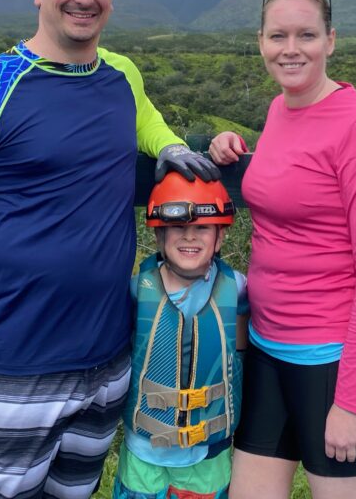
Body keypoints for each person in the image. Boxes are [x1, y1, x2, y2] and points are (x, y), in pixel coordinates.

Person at [0, 0, 219, 499]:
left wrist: (171, 146)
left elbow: (144, 115)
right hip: (15, 365)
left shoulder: (121, 74)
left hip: (106, 365)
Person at [208, 0, 356, 499]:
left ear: (331, 41)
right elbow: (291, 184)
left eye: (306, 35)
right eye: (278, 36)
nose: (290, 49)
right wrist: (232, 150)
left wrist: (352, 403)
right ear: (261, 42)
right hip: (270, 345)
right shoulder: (279, 109)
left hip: (332, 357)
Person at [114, 172, 248, 499]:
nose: (190, 237)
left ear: (220, 236)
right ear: (161, 235)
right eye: (178, 227)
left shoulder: (239, 290)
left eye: (202, 227)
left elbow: (242, 355)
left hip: (208, 457)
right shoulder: (136, 291)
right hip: (143, 455)